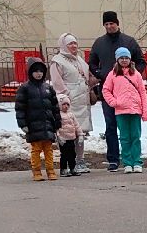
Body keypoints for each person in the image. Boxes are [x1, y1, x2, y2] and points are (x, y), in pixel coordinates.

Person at [88, 12, 143, 171]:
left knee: (131, 130)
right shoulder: (99, 43)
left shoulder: (129, 41)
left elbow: (141, 61)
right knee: (110, 126)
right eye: (106, 24)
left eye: (112, 23)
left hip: (128, 95)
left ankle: (134, 159)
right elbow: (92, 63)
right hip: (108, 93)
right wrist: (100, 74)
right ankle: (113, 159)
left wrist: (133, 74)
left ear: (117, 23)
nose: (109, 26)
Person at [47, 33, 96, 175]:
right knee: (68, 134)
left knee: (80, 133)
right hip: (70, 103)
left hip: (83, 102)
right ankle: (69, 162)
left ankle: (80, 160)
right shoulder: (58, 61)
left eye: (75, 43)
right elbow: (57, 83)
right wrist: (66, 97)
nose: (74, 46)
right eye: (70, 44)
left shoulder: (79, 59)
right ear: (63, 45)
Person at [101, 47, 147, 173]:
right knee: (124, 137)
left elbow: (142, 93)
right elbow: (106, 90)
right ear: (117, 60)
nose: (124, 60)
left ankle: (137, 161)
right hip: (121, 111)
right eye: (121, 58)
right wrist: (114, 102)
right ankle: (127, 162)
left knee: (135, 136)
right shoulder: (112, 74)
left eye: (126, 58)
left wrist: (145, 111)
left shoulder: (136, 74)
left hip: (135, 110)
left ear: (130, 59)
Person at [14, 59, 60, 181]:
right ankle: (37, 171)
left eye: (41, 71)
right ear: (30, 72)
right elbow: (20, 108)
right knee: (36, 150)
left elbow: (55, 107)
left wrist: (57, 121)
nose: (38, 74)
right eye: (35, 71)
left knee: (49, 150)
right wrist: (23, 124)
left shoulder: (48, 88)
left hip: (47, 125)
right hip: (33, 125)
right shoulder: (25, 88)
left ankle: (50, 171)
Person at [55, 96, 82, 177]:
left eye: (67, 104)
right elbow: (56, 128)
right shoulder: (58, 115)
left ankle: (72, 168)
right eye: (63, 104)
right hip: (63, 139)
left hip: (71, 138)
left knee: (72, 154)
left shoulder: (71, 115)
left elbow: (77, 125)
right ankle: (63, 169)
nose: (66, 106)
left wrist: (80, 134)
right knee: (64, 155)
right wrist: (59, 137)